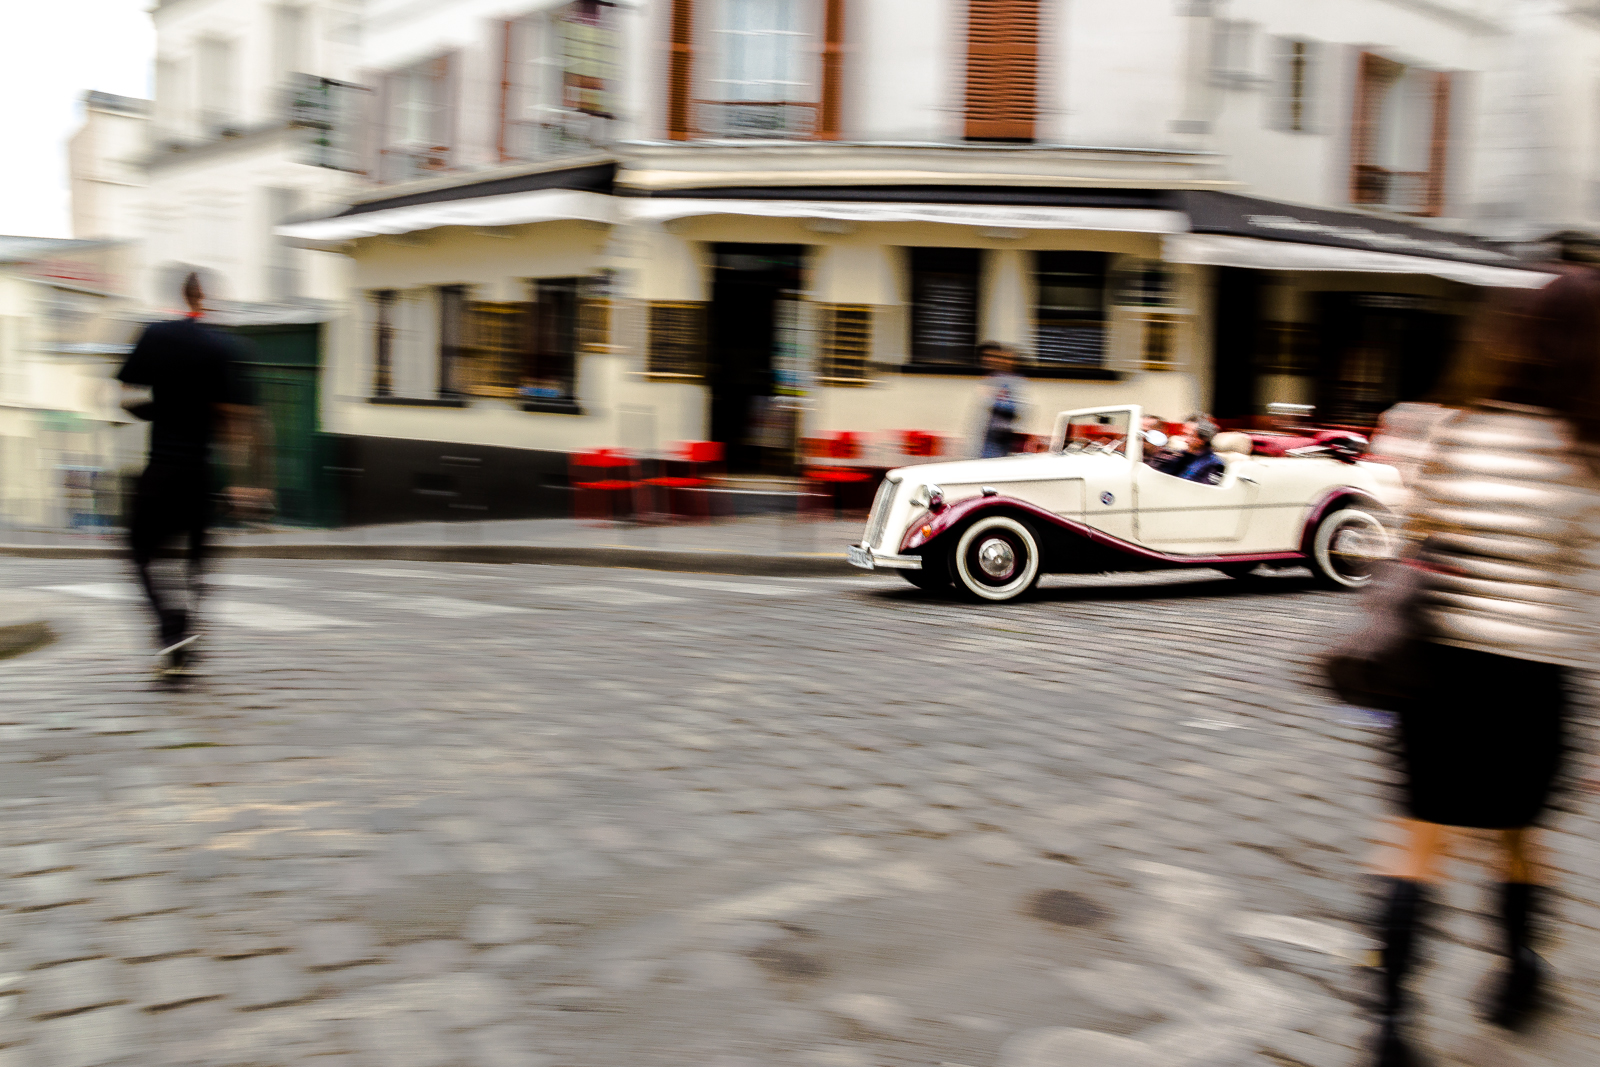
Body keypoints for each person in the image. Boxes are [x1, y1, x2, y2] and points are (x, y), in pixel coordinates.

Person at [1362, 268, 1600, 1066]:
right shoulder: (1585, 453)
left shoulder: (1453, 428)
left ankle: (1391, 1023)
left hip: (1439, 669)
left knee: (1414, 845)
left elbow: (1410, 530)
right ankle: (1519, 972)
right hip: (1532, 676)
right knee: (1519, 838)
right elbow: (1588, 593)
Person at [118, 272, 274, 676]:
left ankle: (171, 628)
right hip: (200, 474)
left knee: (138, 550)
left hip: (161, 468)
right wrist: (250, 482)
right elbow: (241, 420)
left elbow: (126, 395)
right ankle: (186, 632)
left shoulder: (155, 334)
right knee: (199, 560)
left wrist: (158, 409)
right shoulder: (224, 347)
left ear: (183, 294)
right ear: (207, 299)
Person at [975, 342, 1028, 458]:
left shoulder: (1017, 381)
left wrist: (993, 401)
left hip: (1004, 434)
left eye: (1008, 359)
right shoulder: (995, 378)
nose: (1003, 361)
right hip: (992, 433)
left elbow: (1019, 407)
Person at [1154, 416, 1225, 484]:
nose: (1185, 440)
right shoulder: (1182, 456)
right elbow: (1162, 477)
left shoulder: (1214, 464)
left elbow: (1200, 489)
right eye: (1184, 434)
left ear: (1202, 439)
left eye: (1189, 435)